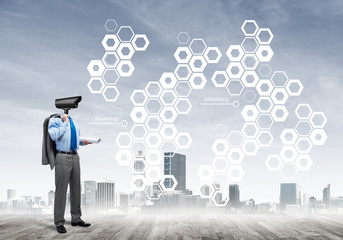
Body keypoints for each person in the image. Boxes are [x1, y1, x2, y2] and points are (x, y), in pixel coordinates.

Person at [48, 113, 91, 234]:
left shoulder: (75, 123)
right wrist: (65, 123)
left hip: (75, 156)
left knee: (76, 188)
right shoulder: (55, 121)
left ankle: (76, 218)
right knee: (61, 190)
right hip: (62, 156)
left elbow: (75, 138)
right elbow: (53, 135)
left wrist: (83, 142)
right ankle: (59, 222)